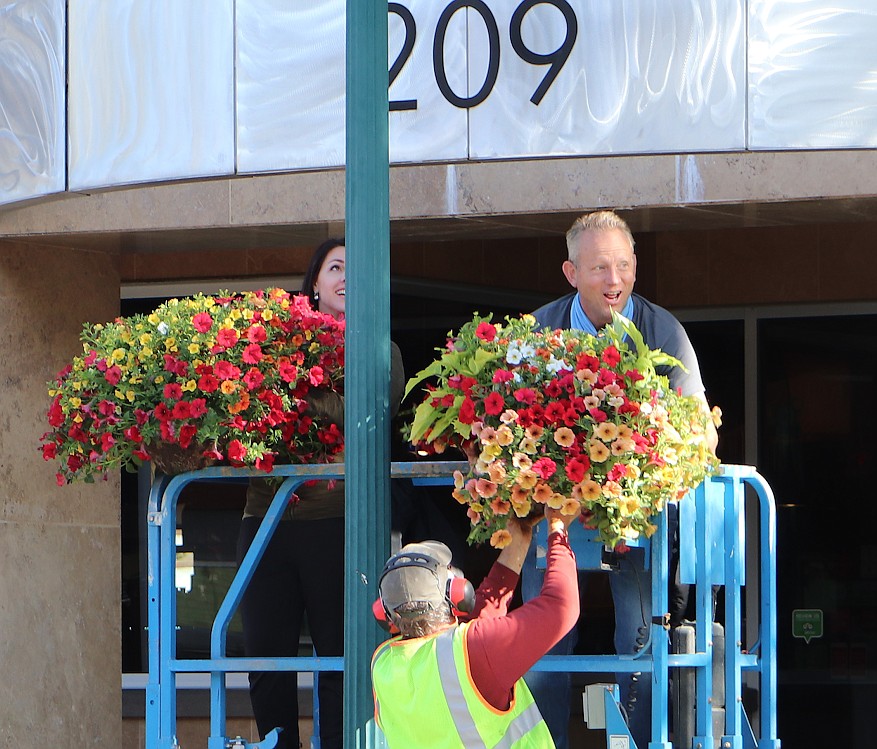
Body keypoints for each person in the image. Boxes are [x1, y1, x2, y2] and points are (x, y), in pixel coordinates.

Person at [524, 210, 718, 749]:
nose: (615, 280)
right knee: (545, 640)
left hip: (639, 513)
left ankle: (639, 741)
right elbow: (507, 426)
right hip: (553, 513)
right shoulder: (538, 330)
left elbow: (699, 429)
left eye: (625, 266)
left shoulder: (665, 331)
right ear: (570, 273)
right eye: (600, 268)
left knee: (639, 637)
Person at [236, 238, 405, 749]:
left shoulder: (383, 349)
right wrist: (302, 389)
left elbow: (371, 418)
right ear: (315, 282)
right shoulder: (275, 343)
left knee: (341, 657)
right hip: (266, 518)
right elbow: (254, 406)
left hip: (339, 522)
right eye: (335, 267)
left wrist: (302, 393)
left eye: (358, 269)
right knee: (266, 659)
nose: (346, 277)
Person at [371, 504, 581, 749]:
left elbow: (470, 634)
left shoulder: (383, 663)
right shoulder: (471, 651)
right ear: (458, 593)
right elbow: (561, 607)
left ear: (384, 613)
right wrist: (558, 528)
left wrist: (518, 541)